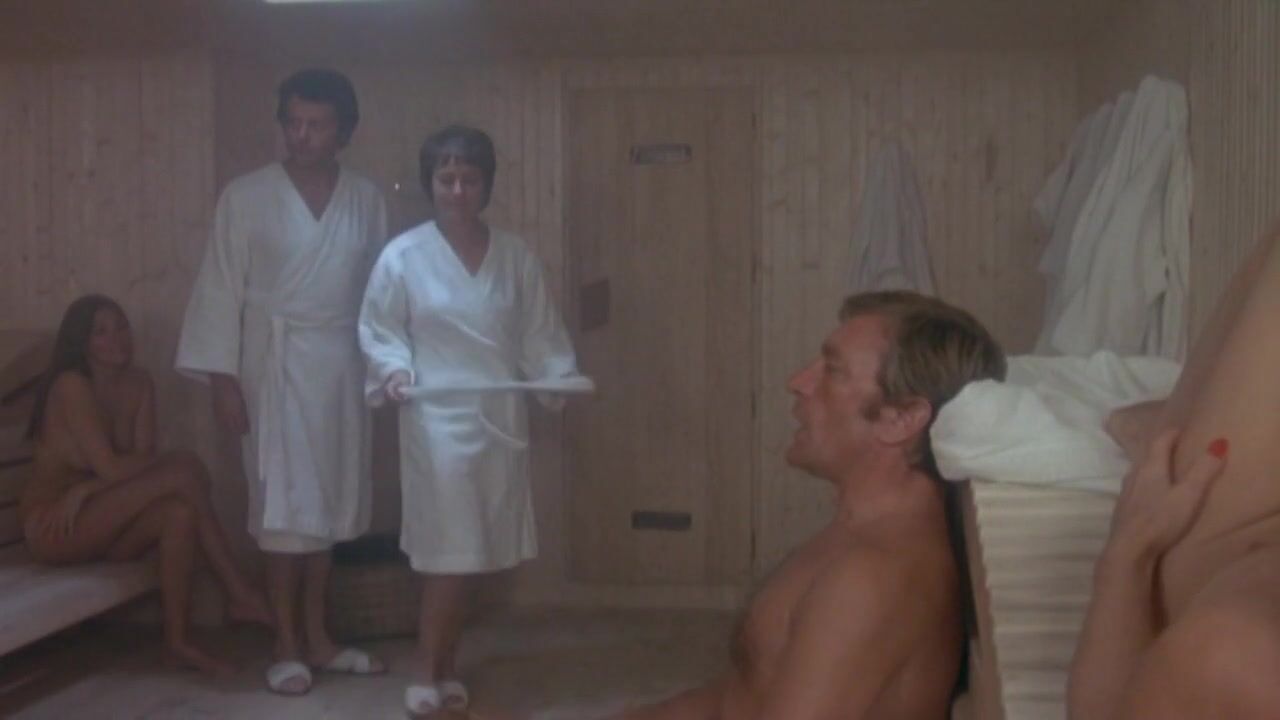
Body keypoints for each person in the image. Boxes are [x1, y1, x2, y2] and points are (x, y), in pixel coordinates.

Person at [619, 290, 1006, 719]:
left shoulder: (873, 578)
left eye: (832, 370)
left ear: (899, 418)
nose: (798, 382)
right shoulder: (864, 538)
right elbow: (744, 695)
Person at [175, 68, 388, 695]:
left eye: (316, 125)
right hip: (272, 368)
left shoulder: (366, 199)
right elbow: (220, 291)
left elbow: (380, 293)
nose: (302, 135)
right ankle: (286, 642)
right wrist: (223, 381)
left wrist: (385, 366)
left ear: (343, 131)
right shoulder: (245, 197)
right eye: (293, 122)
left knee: (327, 507)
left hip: (341, 367)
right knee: (281, 509)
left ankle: (319, 636)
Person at [359, 125, 581, 718]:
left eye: (469, 179)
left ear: (486, 185)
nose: (457, 190)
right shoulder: (403, 256)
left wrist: (556, 376)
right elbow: (381, 328)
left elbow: (538, 332)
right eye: (447, 179)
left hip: (497, 418)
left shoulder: (515, 256)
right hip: (436, 419)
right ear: (430, 183)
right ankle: (424, 666)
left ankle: (448, 665)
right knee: (448, 550)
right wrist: (394, 369)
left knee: (476, 550)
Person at [1069, 225, 1280, 718]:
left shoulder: (1222, 658)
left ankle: (1152, 425)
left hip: (1238, 550)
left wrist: (1129, 553)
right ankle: (1152, 424)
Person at [20, 295, 271, 675]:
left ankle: (178, 643)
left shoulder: (139, 383)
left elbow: (140, 464)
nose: (116, 338)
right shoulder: (71, 386)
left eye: (121, 326)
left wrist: (86, 489)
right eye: (101, 332)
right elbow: (113, 468)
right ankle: (239, 593)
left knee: (178, 512)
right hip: (56, 526)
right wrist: (98, 483)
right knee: (184, 471)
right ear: (82, 344)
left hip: (99, 517)